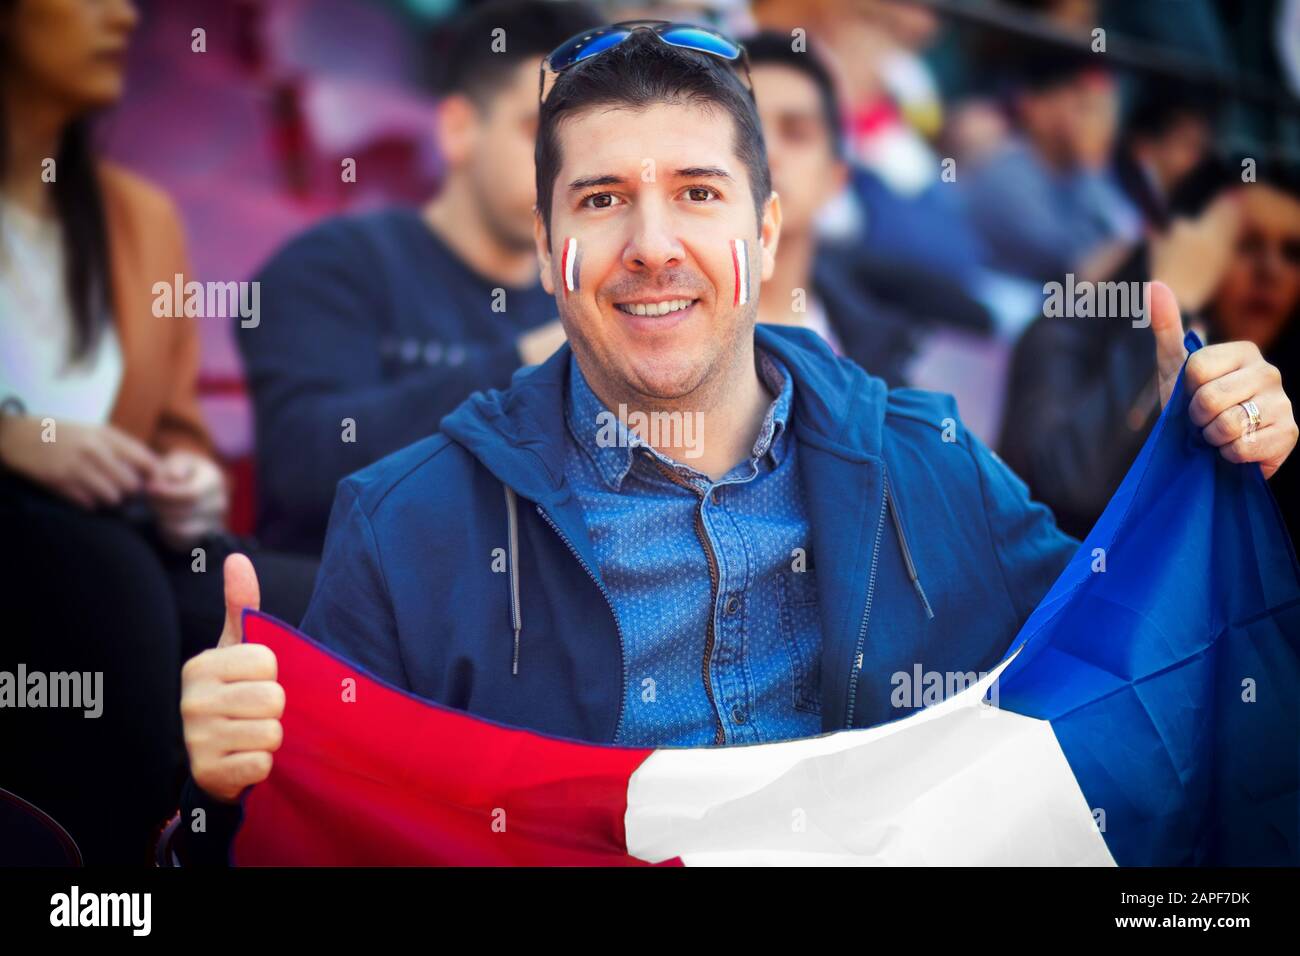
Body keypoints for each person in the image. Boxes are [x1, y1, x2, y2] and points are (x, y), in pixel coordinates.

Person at [174, 22, 1297, 862]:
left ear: (764, 231)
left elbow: (1131, 672)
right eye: (603, 199)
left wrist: (1221, 467)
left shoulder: (927, 461)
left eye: (697, 193)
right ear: (549, 243)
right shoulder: (403, 519)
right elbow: (329, 837)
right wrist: (218, 803)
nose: (652, 244)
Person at [239, 0, 602, 556]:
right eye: (541, 130)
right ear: (459, 129)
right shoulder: (332, 266)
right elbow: (303, 468)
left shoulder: (594, 295)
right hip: (340, 614)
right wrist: (528, 364)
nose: (568, 164)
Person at [1001, 168, 1300, 542]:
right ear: (1183, 250)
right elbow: (1066, 483)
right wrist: (1169, 304)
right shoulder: (1067, 331)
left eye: (1292, 253)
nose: (1270, 270)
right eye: (1245, 244)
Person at [746, 30, 988, 386]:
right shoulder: (658, 327)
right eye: (746, 130)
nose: (769, 154)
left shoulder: (877, 351)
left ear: (835, 179)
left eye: (796, 133)